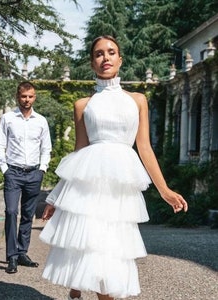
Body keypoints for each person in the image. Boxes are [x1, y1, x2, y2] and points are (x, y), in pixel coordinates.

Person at [39, 36, 188, 300]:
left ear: (120, 59)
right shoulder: (82, 105)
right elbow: (80, 152)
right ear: (92, 62)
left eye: (111, 52)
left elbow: (144, 147)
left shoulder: (138, 100)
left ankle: (80, 285)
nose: (105, 58)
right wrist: (56, 197)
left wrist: (164, 189)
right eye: (98, 54)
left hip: (119, 190)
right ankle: (80, 285)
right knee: (94, 249)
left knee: (111, 252)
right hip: (89, 190)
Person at [0, 81, 52, 274]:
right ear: (17, 97)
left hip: (34, 173)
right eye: (23, 96)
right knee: (11, 212)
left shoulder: (41, 121)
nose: (27, 100)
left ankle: (22, 253)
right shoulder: (8, 118)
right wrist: (5, 169)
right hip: (13, 173)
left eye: (30, 96)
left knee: (28, 215)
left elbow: (46, 148)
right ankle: (11, 256)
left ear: (34, 97)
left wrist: (42, 169)